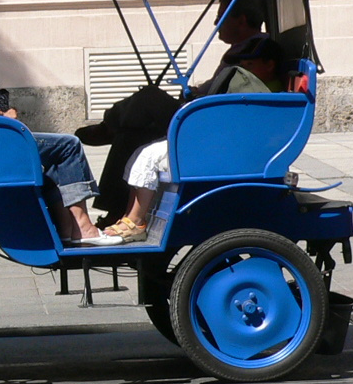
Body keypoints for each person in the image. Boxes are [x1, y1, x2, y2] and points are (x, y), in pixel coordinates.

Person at [0, 0, 118, 246]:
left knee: (52, 156)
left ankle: (67, 229)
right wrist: (2, 115)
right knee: (68, 146)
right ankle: (84, 228)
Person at [108, 35, 287, 241]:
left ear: (270, 65)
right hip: (220, 142)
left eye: (250, 64)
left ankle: (136, 220)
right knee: (144, 152)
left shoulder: (260, 91)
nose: (244, 69)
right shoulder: (253, 88)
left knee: (149, 156)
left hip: (225, 150)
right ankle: (130, 216)